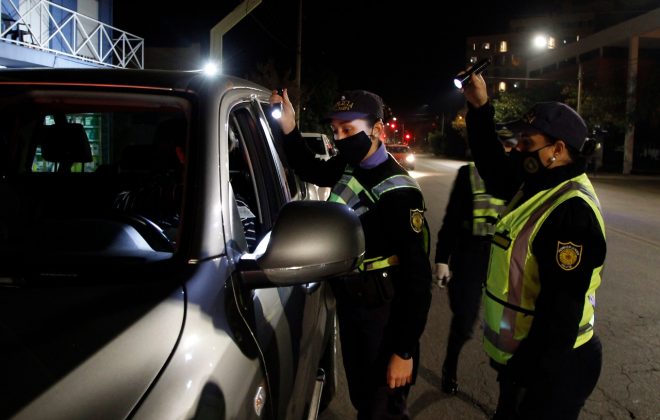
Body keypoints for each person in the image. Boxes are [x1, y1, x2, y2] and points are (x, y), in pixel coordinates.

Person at [270, 89, 432, 419]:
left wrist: (403, 350)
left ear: (377, 131)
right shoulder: (348, 163)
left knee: (382, 408)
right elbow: (309, 168)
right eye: (336, 131)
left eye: (348, 130)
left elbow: (418, 281)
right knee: (362, 397)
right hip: (353, 304)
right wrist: (289, 127)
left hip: (384, 316)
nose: (340, 138)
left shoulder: (400, 192)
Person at [460, 72, 606, 420]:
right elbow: (494, 166)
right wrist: (480, 107)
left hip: (554, 368)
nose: (517, 148)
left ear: (557, 149)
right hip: (529, 362)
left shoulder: (571, 211)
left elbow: (560, 316)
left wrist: (526, 376)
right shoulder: (538, 181)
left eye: (527, 142)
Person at [434, 138, 514, 395]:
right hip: (470, 254)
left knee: (507, 323)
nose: (507, 151)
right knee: (464, 319)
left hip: (502, 256)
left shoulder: (520, 176)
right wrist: (442, 259)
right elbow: (452, 219)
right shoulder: (468, 174)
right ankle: (450, 365)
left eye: (512, 146)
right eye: (502, 145)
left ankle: (507, 378)